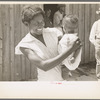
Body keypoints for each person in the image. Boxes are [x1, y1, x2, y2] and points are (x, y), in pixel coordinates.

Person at [15, 5, 81, 81]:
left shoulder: (54, 32)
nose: (40, 25)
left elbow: (68, 46)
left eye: (42, 21)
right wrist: (71, 49)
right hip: (45, 83)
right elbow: (44, 66)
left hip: (62, 81)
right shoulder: (25, 44)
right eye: (36, 23)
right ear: (27, 24)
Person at [89, 8, 100, 81]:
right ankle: (99, 77)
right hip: (99, 42)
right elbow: (91, 37)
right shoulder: (96, 23)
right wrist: (96, 44)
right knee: (99, 61)